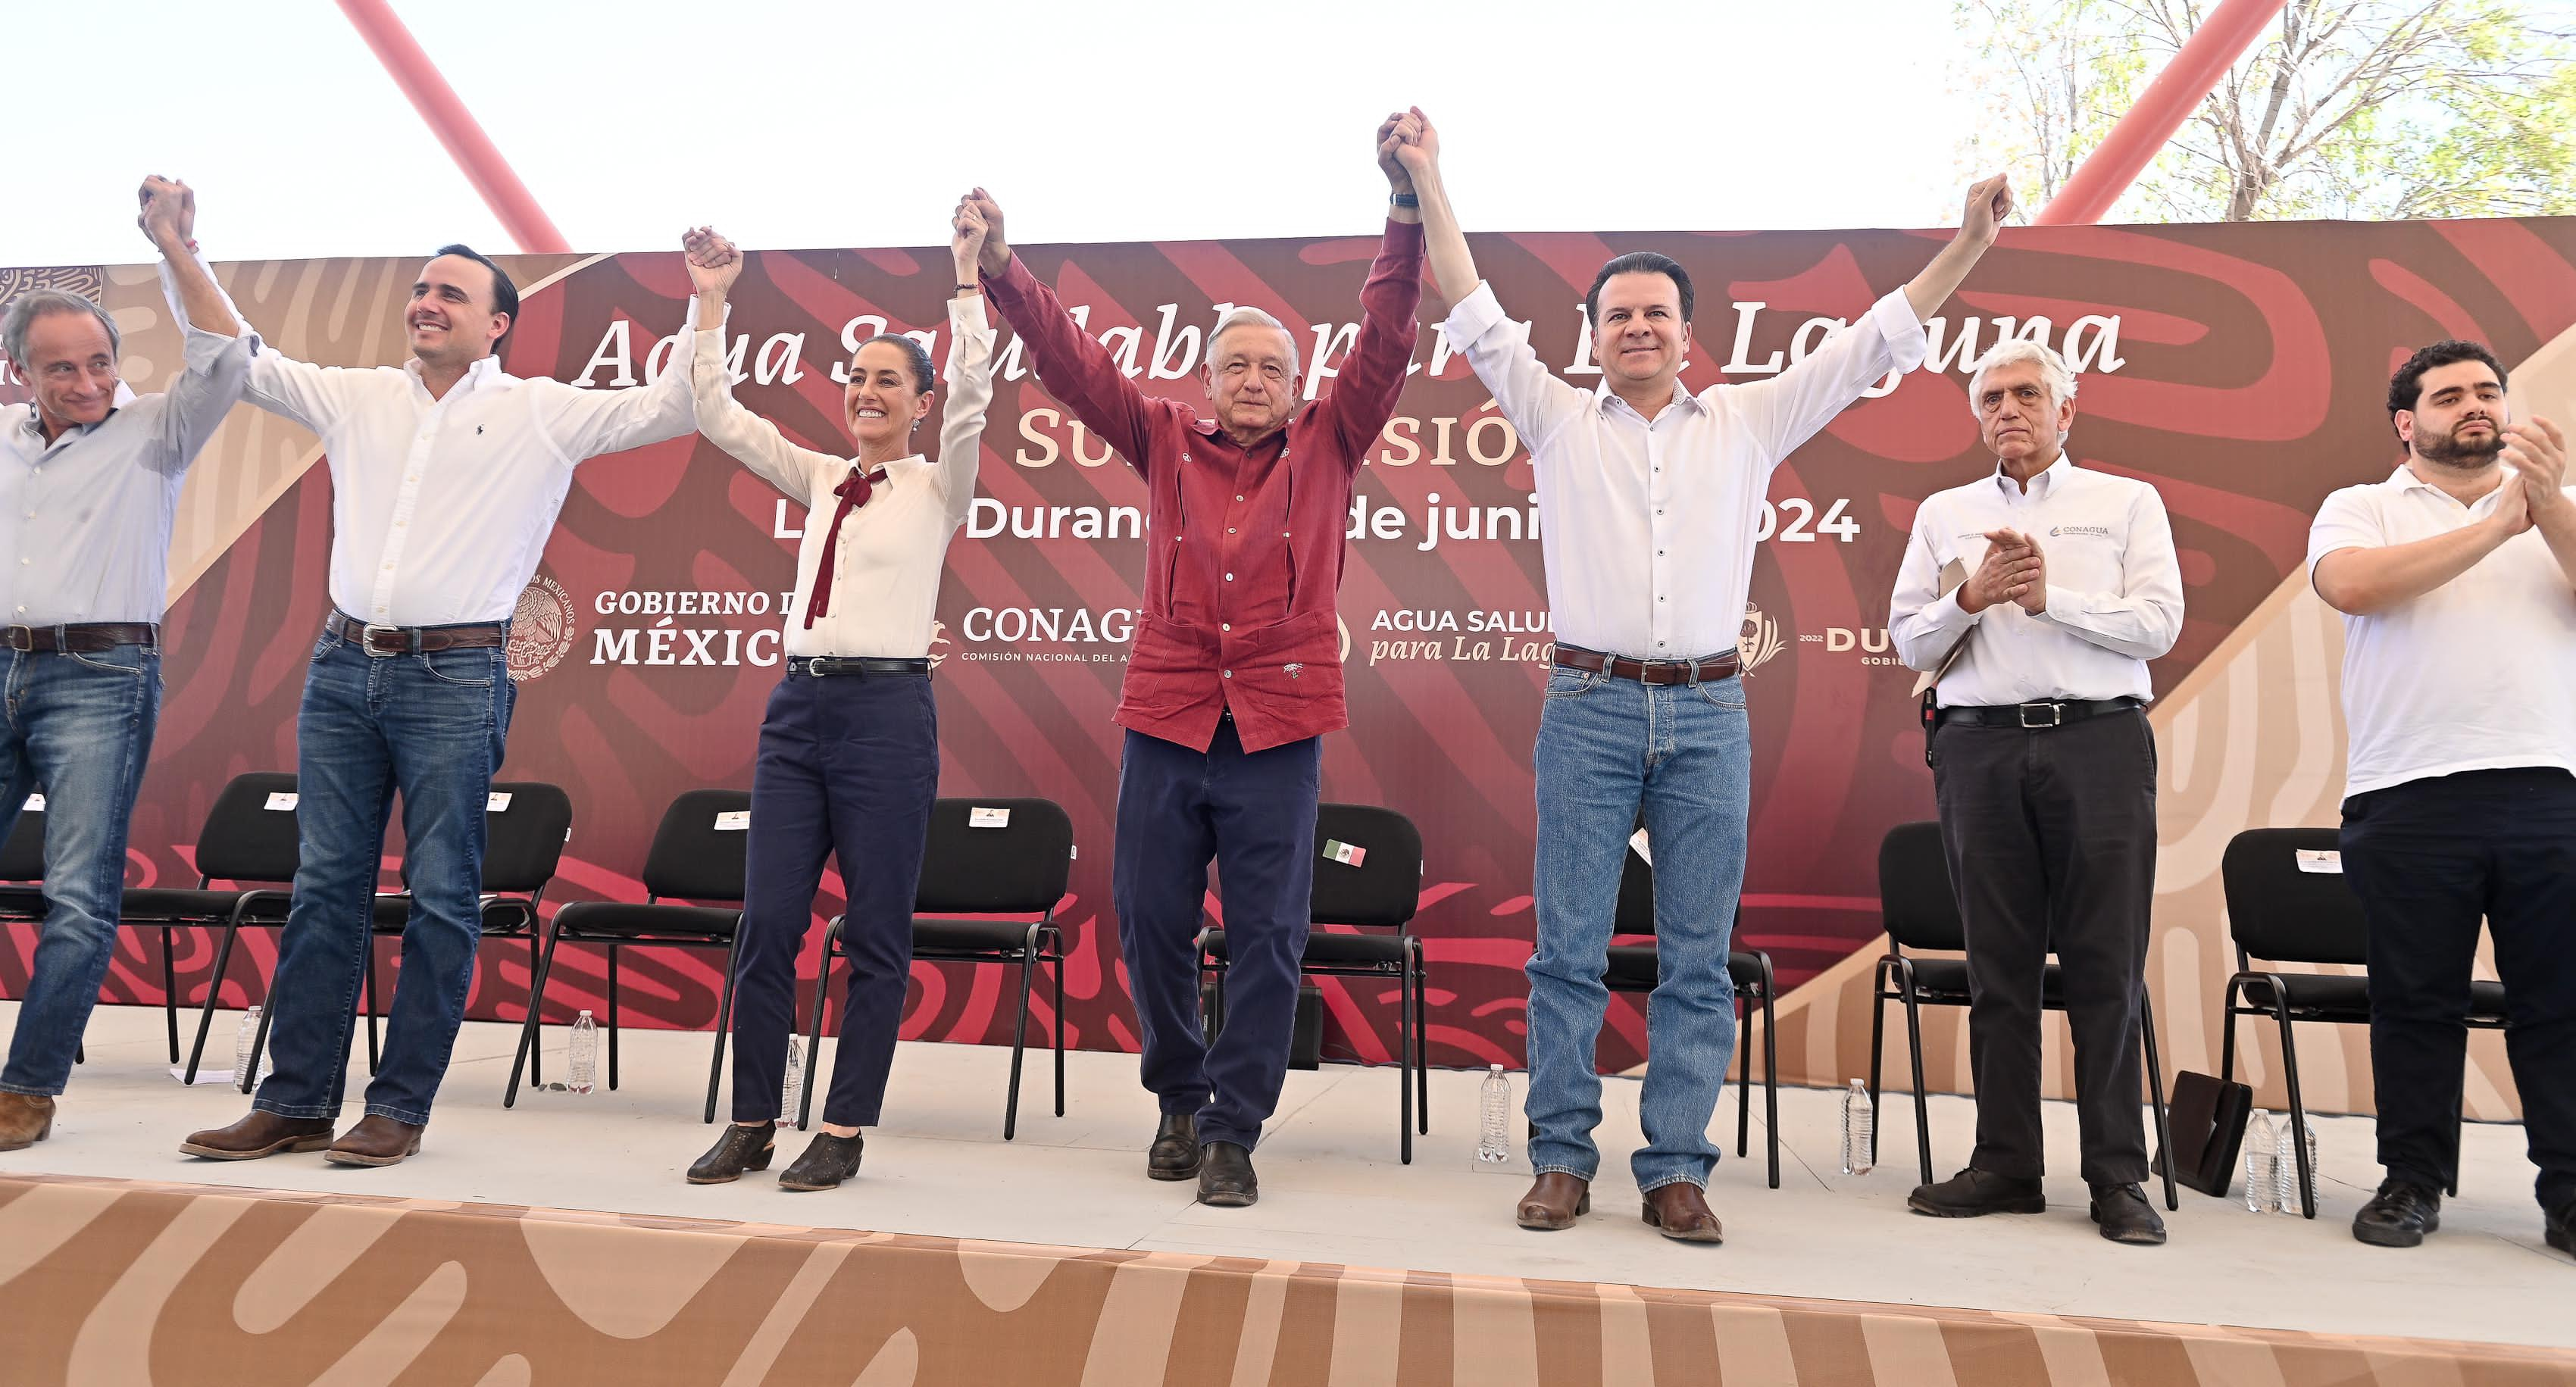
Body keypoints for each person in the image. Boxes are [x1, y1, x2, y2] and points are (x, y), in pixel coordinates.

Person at [1396, 108, 2011, 1241]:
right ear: (1591, 336)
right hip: (1585, 708)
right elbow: (1470, 304)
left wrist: (1968, 243)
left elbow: (1874, 340)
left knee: (1695, 956)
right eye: (1619, 313)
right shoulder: (1554, 420)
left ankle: (1677, 1165)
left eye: (1656, 313)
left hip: (1709, 711)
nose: (1638, 326)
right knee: (1568, 949)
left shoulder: (1747, 417)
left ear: (1687, 334)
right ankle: (1559, 1157)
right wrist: (1432, 178)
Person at [958, 114, 1424, 1208]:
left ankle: (1231, 1127)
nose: (1254, 380)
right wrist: (1003, 270)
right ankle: (1177, 1091)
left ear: (1298, 380)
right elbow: (1071, 363)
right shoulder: (1163, 435)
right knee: (1152, 919)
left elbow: (1390, 332)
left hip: (1278, 723)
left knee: (1268, 932)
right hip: (1168, 715)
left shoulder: (1333, 439)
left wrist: (1402, 208)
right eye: (1236, 365)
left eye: (1272, 365)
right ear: (1207, 380)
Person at [175, 198, 699, 1167]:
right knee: (325, 885)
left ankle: (399, 1107)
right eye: (420, 289)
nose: (426, 301)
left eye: (450, 293)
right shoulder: (360, 396)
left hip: (457, 674)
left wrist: (707, 304)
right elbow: (233, 354)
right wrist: (176, 247)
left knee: (443, 892)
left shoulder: (538, 410)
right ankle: (294, 1101)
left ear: (498, 323)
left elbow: (671, 405)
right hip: (340, 669)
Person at [679, 204, 996, 1192]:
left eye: (886, 381)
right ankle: (753, 1117)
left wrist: (966, 279)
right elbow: (716, 415)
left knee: (874, 931)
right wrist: (711, 306)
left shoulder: (943, 484)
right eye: (856, 378)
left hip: (887, 719)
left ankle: (846, 1124)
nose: (865, 393)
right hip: (798, 713)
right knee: (769, 920)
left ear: (919, 400)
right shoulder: (818, 477)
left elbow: (978, 398)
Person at [1887, 338, 2182, 1245]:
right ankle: (2006, 1162)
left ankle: (2116, 1174)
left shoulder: (2127, 502)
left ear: (2067, 409)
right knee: (1999, 969)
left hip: (2098, 742)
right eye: (1989, 399)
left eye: (2024, 394)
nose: (2005, 410)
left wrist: (2052, 599)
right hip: (1979, 750)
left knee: (2105, 967)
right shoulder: (1945, 511)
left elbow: (2158, 624)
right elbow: (1909, 642)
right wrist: (1971, 596)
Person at [2307, 340, 2576, 1256]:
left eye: (2488, 392)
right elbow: (2354, 587)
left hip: (2549, 789)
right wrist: (2497, 525)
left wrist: (2543, 509)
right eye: (2449, 393)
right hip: (2408, 792)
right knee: (2415, 1001)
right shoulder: (2362, 506)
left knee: (2561, 1003)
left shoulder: (2558, 512)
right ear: (2405, 421)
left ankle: (2570, 1197)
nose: (2474, 405)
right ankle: (2412, 1182)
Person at [0, 177, 249, 1150]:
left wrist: (173, 246)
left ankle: (27, 1088)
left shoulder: (156, 431)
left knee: (77, 893)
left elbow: (225, 353)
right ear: (19, 373)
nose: (89, 383)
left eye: (101, 361)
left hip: (101, 679)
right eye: (62, 369)